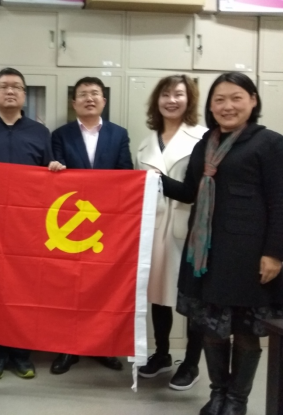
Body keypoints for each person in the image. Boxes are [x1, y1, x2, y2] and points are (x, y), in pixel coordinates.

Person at [161, 72, 283, 415]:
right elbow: (190, 192)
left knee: (244, 332)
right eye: (219, 100)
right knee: (211, 329)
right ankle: (217, 395)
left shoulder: (270, 144)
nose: (227, 106)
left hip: (249, 257)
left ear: (253, 101)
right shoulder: (205, 145)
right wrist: (154, 181)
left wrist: (275, 253)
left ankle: (236, 401)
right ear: (211, 106)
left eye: (236, 98)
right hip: (207, 255)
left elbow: (280, 203)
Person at [0, 67, 64, 381]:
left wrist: (54, 168)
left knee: (25, 290)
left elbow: (50, 177)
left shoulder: (40, 132)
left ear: (24, 95)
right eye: (4, 86)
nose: (10, 91)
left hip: (28, 227)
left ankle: (22, 355)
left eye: (16, 87)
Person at [49, 76, 132, 375]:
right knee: (69, 287)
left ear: (104, 101)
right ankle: (67, 348)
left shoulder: (118, 134)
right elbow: (55, 178)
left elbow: (126, 175)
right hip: (70, 224)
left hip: (106, 224)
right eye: (83, 94)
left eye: (95, 93)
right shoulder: (60, 135)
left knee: (104, 287)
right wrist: (54, 169)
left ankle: (103, 347)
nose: (89, 98)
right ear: (74, 103)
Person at [135, 75, 206, 391]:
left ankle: (191, 363)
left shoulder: (202, 138)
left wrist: (157, 180)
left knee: (192, 298)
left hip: (188, 228)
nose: (171, 100)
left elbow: (198, 190)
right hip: (151, 228)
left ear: (189, 100)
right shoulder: (144, 142)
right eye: (165, 94)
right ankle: (162, 354)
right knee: (157, 295)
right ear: (157, 101)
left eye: (178, 94)